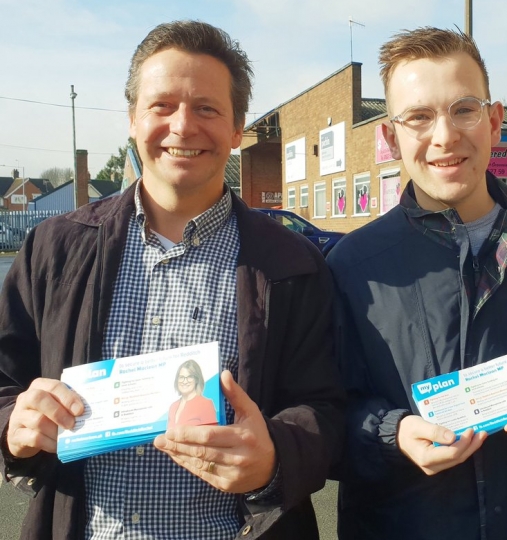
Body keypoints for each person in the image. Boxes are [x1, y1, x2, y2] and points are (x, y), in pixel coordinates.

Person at [0, 21, 344, 540]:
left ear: (236, 128)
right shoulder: (56, 248)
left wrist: (274, 457)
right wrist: (13, 423)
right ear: (134, 120)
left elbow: (330, 407)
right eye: (162, 106)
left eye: (207, 108)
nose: (183, 126)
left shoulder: (291, 263)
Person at [328, 27, 507, 540]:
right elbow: (324, 417)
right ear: (391, 137)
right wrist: (391, 435)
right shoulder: (354, 265)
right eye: (418, 116)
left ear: (494, 120)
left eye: (463, 109)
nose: (444, 136)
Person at [168, 359, 218, 429]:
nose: (185, 381)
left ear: (197, 379)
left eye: (190, 377)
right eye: (181, 377)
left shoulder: (205, 404)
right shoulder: (173, 407)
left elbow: (212, 434)